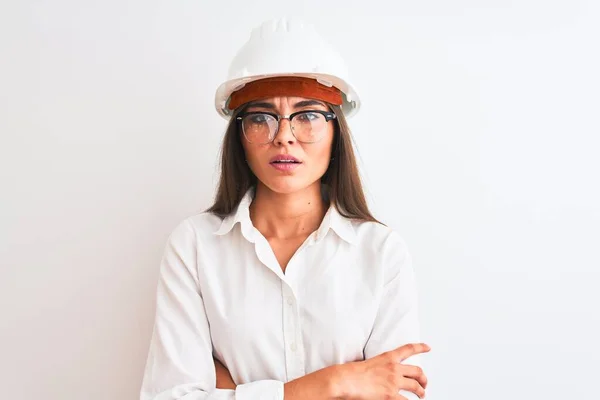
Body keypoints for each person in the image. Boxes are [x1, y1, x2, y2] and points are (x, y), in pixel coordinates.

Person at [140, 17, 431, 400]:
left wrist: (236, 390)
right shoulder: (194, 245)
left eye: (308, 115)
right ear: (239, 136)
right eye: (261, 118)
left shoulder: (380, 252)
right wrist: (334, 383)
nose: (284, 136)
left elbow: (398, 393)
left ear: (335, 132)